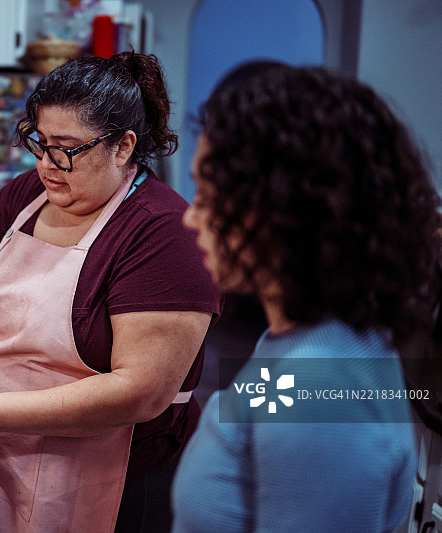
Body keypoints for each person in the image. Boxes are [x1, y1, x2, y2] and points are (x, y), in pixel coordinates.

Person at [0, 51, 222, 532]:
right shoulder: (24, 196)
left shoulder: (163, 234)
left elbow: (140, 391)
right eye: (38, 141)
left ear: (123, 147)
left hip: (109, 481)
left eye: (67, 148)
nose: (47, 164)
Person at [171, 61, 440, 532]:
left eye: (209, 197)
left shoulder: (321, 393)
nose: (191, 218)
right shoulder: (308, 339)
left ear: (280, 212)